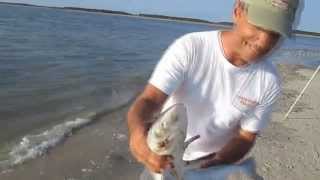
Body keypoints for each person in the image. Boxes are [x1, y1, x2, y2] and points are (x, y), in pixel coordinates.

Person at [127, 0, 300, 179]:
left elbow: (246, 137)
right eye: (258, 25)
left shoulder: (269, 81)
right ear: (238, 11)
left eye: (274, 33)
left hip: (212, 161)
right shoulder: (191, 48)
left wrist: (216, 164)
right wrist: (137, 133)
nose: (264, 41)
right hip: (162, 154)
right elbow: (150, 99)